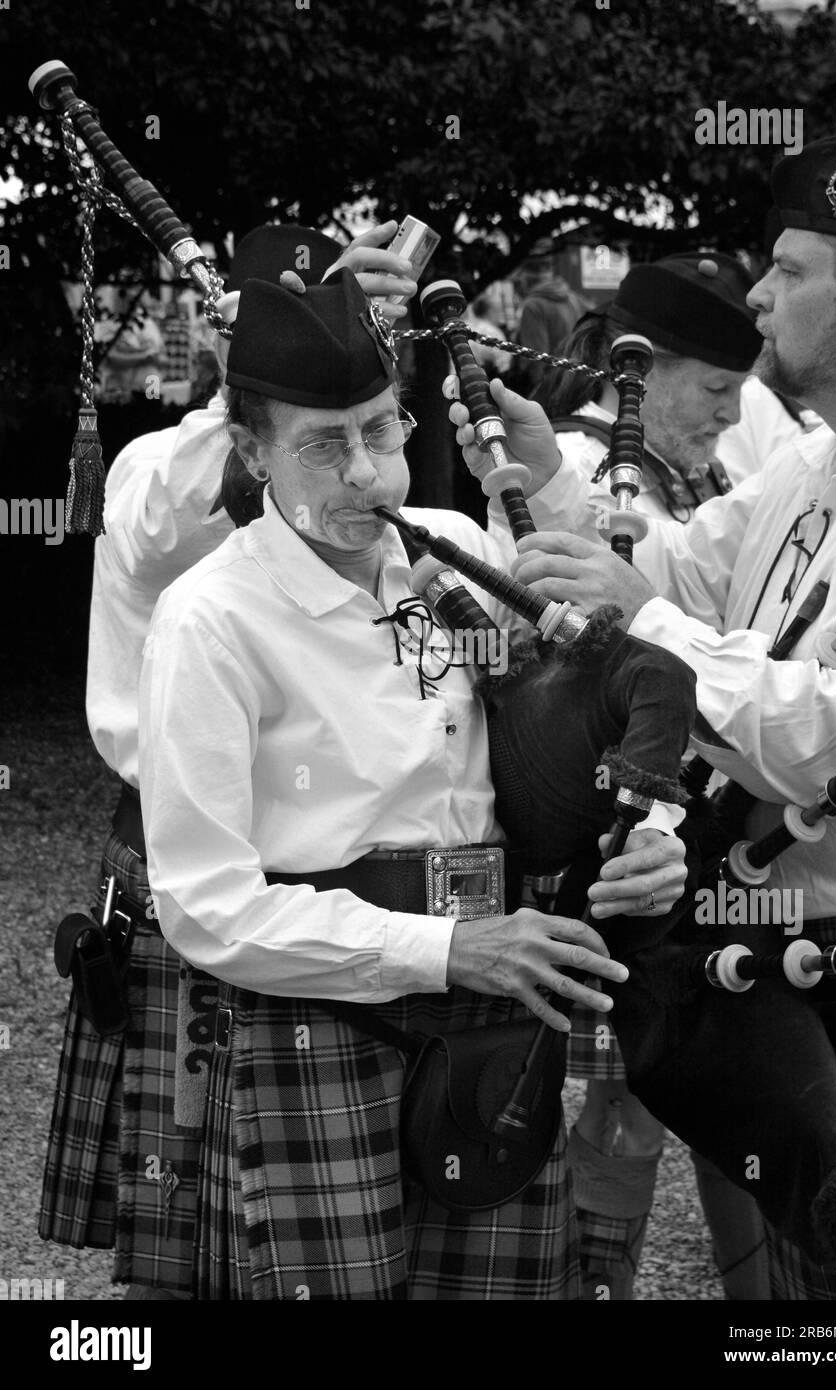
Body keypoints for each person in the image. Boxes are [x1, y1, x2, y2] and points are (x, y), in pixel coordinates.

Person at [137, 266, 688, 1300]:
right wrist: (447, 947)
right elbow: (205, 904)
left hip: (495, 1004)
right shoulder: (212, 619)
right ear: (252, 454)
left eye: (382, 431)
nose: (366, 476)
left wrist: (652, 830)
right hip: (326, 1024)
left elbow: (590, 721)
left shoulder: (466, 555)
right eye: (321, 444)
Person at [455, 135, 836, 1302]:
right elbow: (678, 571)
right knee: (806, 1298)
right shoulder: (813, 467)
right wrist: (548, 476)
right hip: (775, 958)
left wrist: (650, 625)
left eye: (792, 271)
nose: (756, 297)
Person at [39, 221, 421, 1299]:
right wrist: (268, 385)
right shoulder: (158, 468)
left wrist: (348, 364)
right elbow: (182, 513)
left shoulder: (345, 470)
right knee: (180, 1238)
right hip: (183, 862)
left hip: (315, 875)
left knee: (284, 1239)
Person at [533, 252, 809, 519]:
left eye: (740, 388)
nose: (734, 416)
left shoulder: (682, 459)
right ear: (632, 368)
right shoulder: (568, 474)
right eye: (716, 388)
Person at [511, 255, 591, 392]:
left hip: (550, 388)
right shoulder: (572, 297)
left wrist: (538, 395)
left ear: (525, 277)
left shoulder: (533, 305)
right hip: (576, 383)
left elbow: (535, 357)